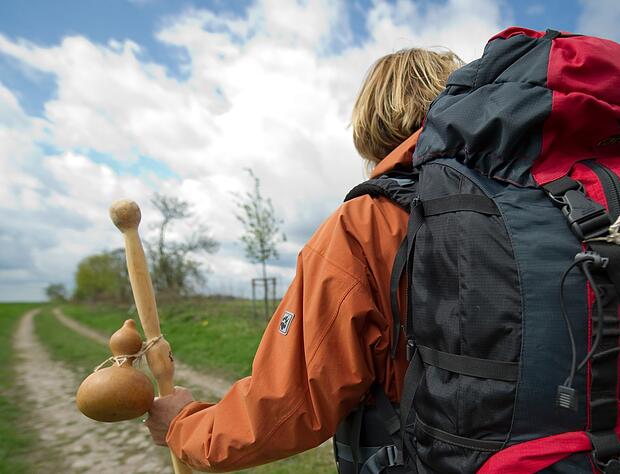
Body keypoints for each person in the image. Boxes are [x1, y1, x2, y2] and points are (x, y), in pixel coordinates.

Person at [144, 48, 462, 472]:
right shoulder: (545, 211)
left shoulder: (365, 226)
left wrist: (183, 426)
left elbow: (286, 403)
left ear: (373, 121)